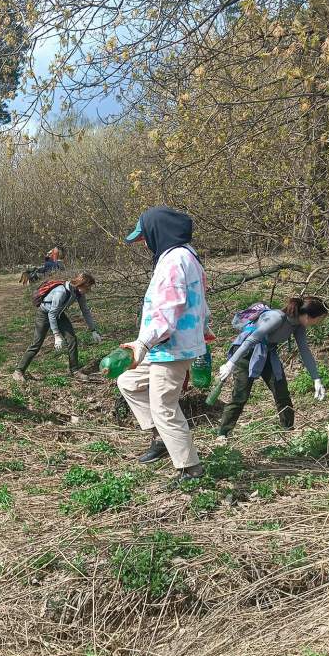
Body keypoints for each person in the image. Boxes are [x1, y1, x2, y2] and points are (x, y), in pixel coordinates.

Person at [116, 207, 211, 485]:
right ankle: (160, 438)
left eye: (145, 237)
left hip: (170, 347)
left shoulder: (173, 262)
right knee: (129, 381)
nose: (145, 243)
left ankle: (189, 468)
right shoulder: (185, 256)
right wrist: (204, 328)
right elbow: (199, 302)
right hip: (166, 345)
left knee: (165, 407)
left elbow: (167, 310)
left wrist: (142, 343)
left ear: (158, 232)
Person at [215, 297, 329, 443]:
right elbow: (252, 339)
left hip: (267, 353)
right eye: (319, 319)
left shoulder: (298, 326)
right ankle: (223, 433)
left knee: (281, 391)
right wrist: (230, 363)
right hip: (246, 353)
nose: (318, 322)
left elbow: (304, 350)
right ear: (308, 316)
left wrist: (316, 379)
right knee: (240, 395)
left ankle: (288, 429)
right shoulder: (277, 317)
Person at [13, 272, 102, 382]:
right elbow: (51, 314)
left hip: (59, 314)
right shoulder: (61, 291)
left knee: (72, 339)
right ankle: (18, 371)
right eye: (88, 287)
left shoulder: (79, 293)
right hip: (44, 314)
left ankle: (74, 370)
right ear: (81, 284)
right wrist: (56, 335)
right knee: (37, 343)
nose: (88, 290)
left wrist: (93, 330)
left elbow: (85, 311)